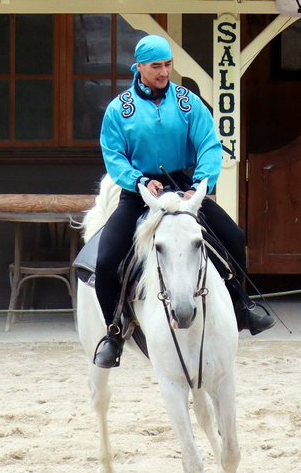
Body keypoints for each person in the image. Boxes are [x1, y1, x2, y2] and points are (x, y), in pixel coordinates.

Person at [92, 34, 273, 368]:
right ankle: (114, 332)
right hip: (140, 196)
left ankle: (241, 308)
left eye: (167, 64)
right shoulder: (119, 110)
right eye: (156, 66)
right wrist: (140, 180)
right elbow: (114, 156)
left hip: (186, 189)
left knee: (234, 237)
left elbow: (208, 145)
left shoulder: (188, 102)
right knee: (104, 261)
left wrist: (201, 184)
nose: (164, 72)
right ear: (139, 68)